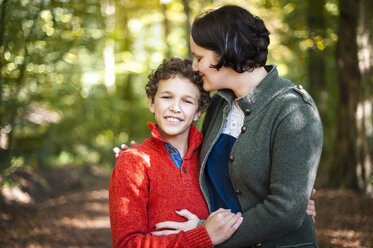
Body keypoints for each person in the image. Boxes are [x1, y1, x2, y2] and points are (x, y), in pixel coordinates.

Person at [113, 4, 321, 247]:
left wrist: (205, 232)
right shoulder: (220, 105)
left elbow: (286, 210)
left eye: (199, 57)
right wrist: (146, 161)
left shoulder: (292, 109)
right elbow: (198, 163)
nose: (194, 66)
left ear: (226, 53)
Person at [109, 57, 244, 248]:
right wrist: (203, 236)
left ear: (198, 112)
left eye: (187, 101)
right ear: (151, 103)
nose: (175, 107)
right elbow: (126, 244)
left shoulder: (212, 157)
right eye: (166, 97)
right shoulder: (133, 162)